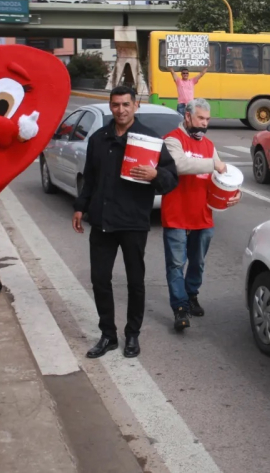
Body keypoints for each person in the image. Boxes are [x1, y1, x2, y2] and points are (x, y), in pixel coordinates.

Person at [72, 85, 178, 360]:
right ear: (111, 106)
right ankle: (108, 335)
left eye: (126, 105)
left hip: (133, 221)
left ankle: (132, 334)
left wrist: (155, 174)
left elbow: (171, 179)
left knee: (135, 282)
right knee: (100, 280)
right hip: (103, 222)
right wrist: (80, 207)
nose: (121, 110)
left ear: (135, 106)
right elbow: (90, 179)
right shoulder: (98, 139)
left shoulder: (150, 140)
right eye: (116, 105)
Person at [161, 98, 242, 331]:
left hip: (202, 215)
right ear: (187, 117)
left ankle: (191, 294)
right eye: (200, 119)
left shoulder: (208, 145)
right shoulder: (172, 140)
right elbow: (179, 165)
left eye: (207, 120)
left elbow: (222, 176)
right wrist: (213, 165)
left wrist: (236, 194)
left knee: (198, 262)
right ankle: (180, 308)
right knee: (176, 264)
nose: (204, 124)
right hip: (176, 213)